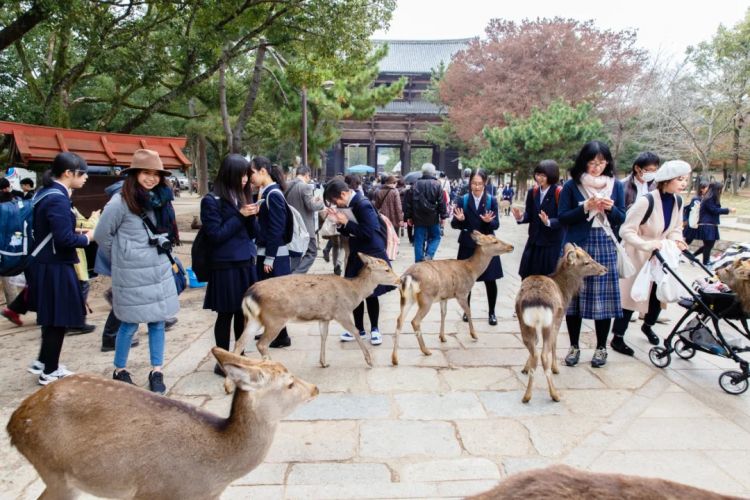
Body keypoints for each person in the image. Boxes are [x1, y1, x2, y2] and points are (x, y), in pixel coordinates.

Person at [94, 149, 179, 394]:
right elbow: (102, 235)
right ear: (134, 174)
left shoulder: (162, 198)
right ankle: (119, 369)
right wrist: (121, 257)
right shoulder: (121, 201)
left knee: (157, 323)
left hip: (158, 270)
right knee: (129, 324)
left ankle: (157, 370)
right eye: (146, 173)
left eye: (155, 174)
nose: (151, 178)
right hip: (131, 274)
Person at [609, 160, 691, 356]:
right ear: (666, 180)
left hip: (660, 254)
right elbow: (626, 230)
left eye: (686, 180)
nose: (684, 184)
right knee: (631, 297)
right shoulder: (647, 200)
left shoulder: (678, 201)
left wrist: (678, 240)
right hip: (638, 253)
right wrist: (646, 244)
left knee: (657, 295)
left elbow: (675, 228)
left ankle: (648, 326)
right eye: (680, 179)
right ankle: (617, 337)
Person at [558, 141, 626, 368]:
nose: (596, 167)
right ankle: (574, 346)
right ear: (583, 162)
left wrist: (610, 208)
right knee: (573, 298)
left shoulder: (615, 185)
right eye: (592, 162)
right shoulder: (571, 186)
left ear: (607, 163)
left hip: (604, 243)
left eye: (601, 162)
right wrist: (584, 207)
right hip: (578, 245)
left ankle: (601, 348)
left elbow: (622, 218)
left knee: (604, 300)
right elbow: (563, 217)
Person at [26, 152, 92, 385]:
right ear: (68, 173)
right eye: (82, 174)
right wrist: (87, 238)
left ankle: (43, 362)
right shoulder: (58, 198)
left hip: (44, 262)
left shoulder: (45, 193)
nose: (85, 179)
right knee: (58, 317)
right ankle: (50, 371)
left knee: (52, 316)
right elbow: (64, 239)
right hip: (54, 265)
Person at [201, 154, 259, 374]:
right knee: (225, 313)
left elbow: (254, 233)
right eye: (241, 175)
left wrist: (252, 216)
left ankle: (240, 354)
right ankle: (223, 360)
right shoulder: (211, 200)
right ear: (229, 174)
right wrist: (240, 215)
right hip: (225, 265)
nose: (245, 179)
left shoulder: (244, 197)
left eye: (247, 175)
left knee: (242, 313)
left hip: (245, 261)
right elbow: (215, 235)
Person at [324, 178, 393, 345]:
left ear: (343, 194)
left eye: (335, 201)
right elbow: (350, 232)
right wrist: (339, 224)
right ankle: (359, 329)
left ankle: (375, 329)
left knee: (371, 293)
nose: (336, 205)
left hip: (371, 253)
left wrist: (346, 221)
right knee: (354, 293)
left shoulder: (362, 204)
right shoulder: (349, 204)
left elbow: (369, 231)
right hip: (357, 252)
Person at [249, 156, 292, 348]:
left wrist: (270, 257)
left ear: (262, 171)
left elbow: (277, 228)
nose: (250, 177)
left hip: (273, 253)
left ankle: (281, 336)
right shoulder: (265, 192)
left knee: (274, 297)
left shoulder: (273, 194)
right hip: (269, 251)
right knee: (271, 297)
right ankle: (276, 333)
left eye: (252, 172)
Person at [451, 168, 502, 325]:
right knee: (466, 281)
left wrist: (489, 222)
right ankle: (467, 311)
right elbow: (454, 224)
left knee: (490, 280)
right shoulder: (463, 200)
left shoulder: (491, 200)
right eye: (474, 183)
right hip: (468, 244)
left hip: (487, 247)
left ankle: (492, 312)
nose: (477, 187)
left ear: (485, 183)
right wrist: (459, 219)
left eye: (480, 184)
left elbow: (496, 224)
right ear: (470, 183)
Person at [512, 160, 564, 279]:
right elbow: (529, 214)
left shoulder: (559, 192)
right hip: (534, 242)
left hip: (551, 245)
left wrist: (549, 222)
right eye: (537, 174)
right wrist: (521, 217)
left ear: (551, 175)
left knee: (548, 279)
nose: (539, 178)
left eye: (543, 175)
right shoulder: (533, 192)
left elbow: (563, 219)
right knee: (527, 276)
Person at [285, 165, 324, 274]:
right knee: (312, 253)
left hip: (291, 227)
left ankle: (291, 273)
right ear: (307, 175)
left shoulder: (287, 185)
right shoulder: (305, 187)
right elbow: (311, 207)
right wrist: (320, 202)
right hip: (305, 227)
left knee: (295, 253)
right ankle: (296, 275)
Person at [404, 163, 447, 262]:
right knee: (436, 237)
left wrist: (408, 217)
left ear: (422, 172)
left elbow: (409, 203)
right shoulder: (437, 184)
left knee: (418, 240)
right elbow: (441, 202)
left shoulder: (415, 184)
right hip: (433, 217)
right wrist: (443, 216)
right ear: (433, 172)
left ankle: (419, 261)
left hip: (418, 217)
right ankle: (429, 255)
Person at [686, 181, 736, 265]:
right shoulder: (709, 198)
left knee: (708, 244)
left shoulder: (709, 197)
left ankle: (694, 257)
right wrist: (728, 210)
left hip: (710, 224)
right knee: (709, 244)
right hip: (707, 224)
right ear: (717, 189)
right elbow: (714, 210)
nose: (721, 191)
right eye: (720, 189)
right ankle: (705, 262)